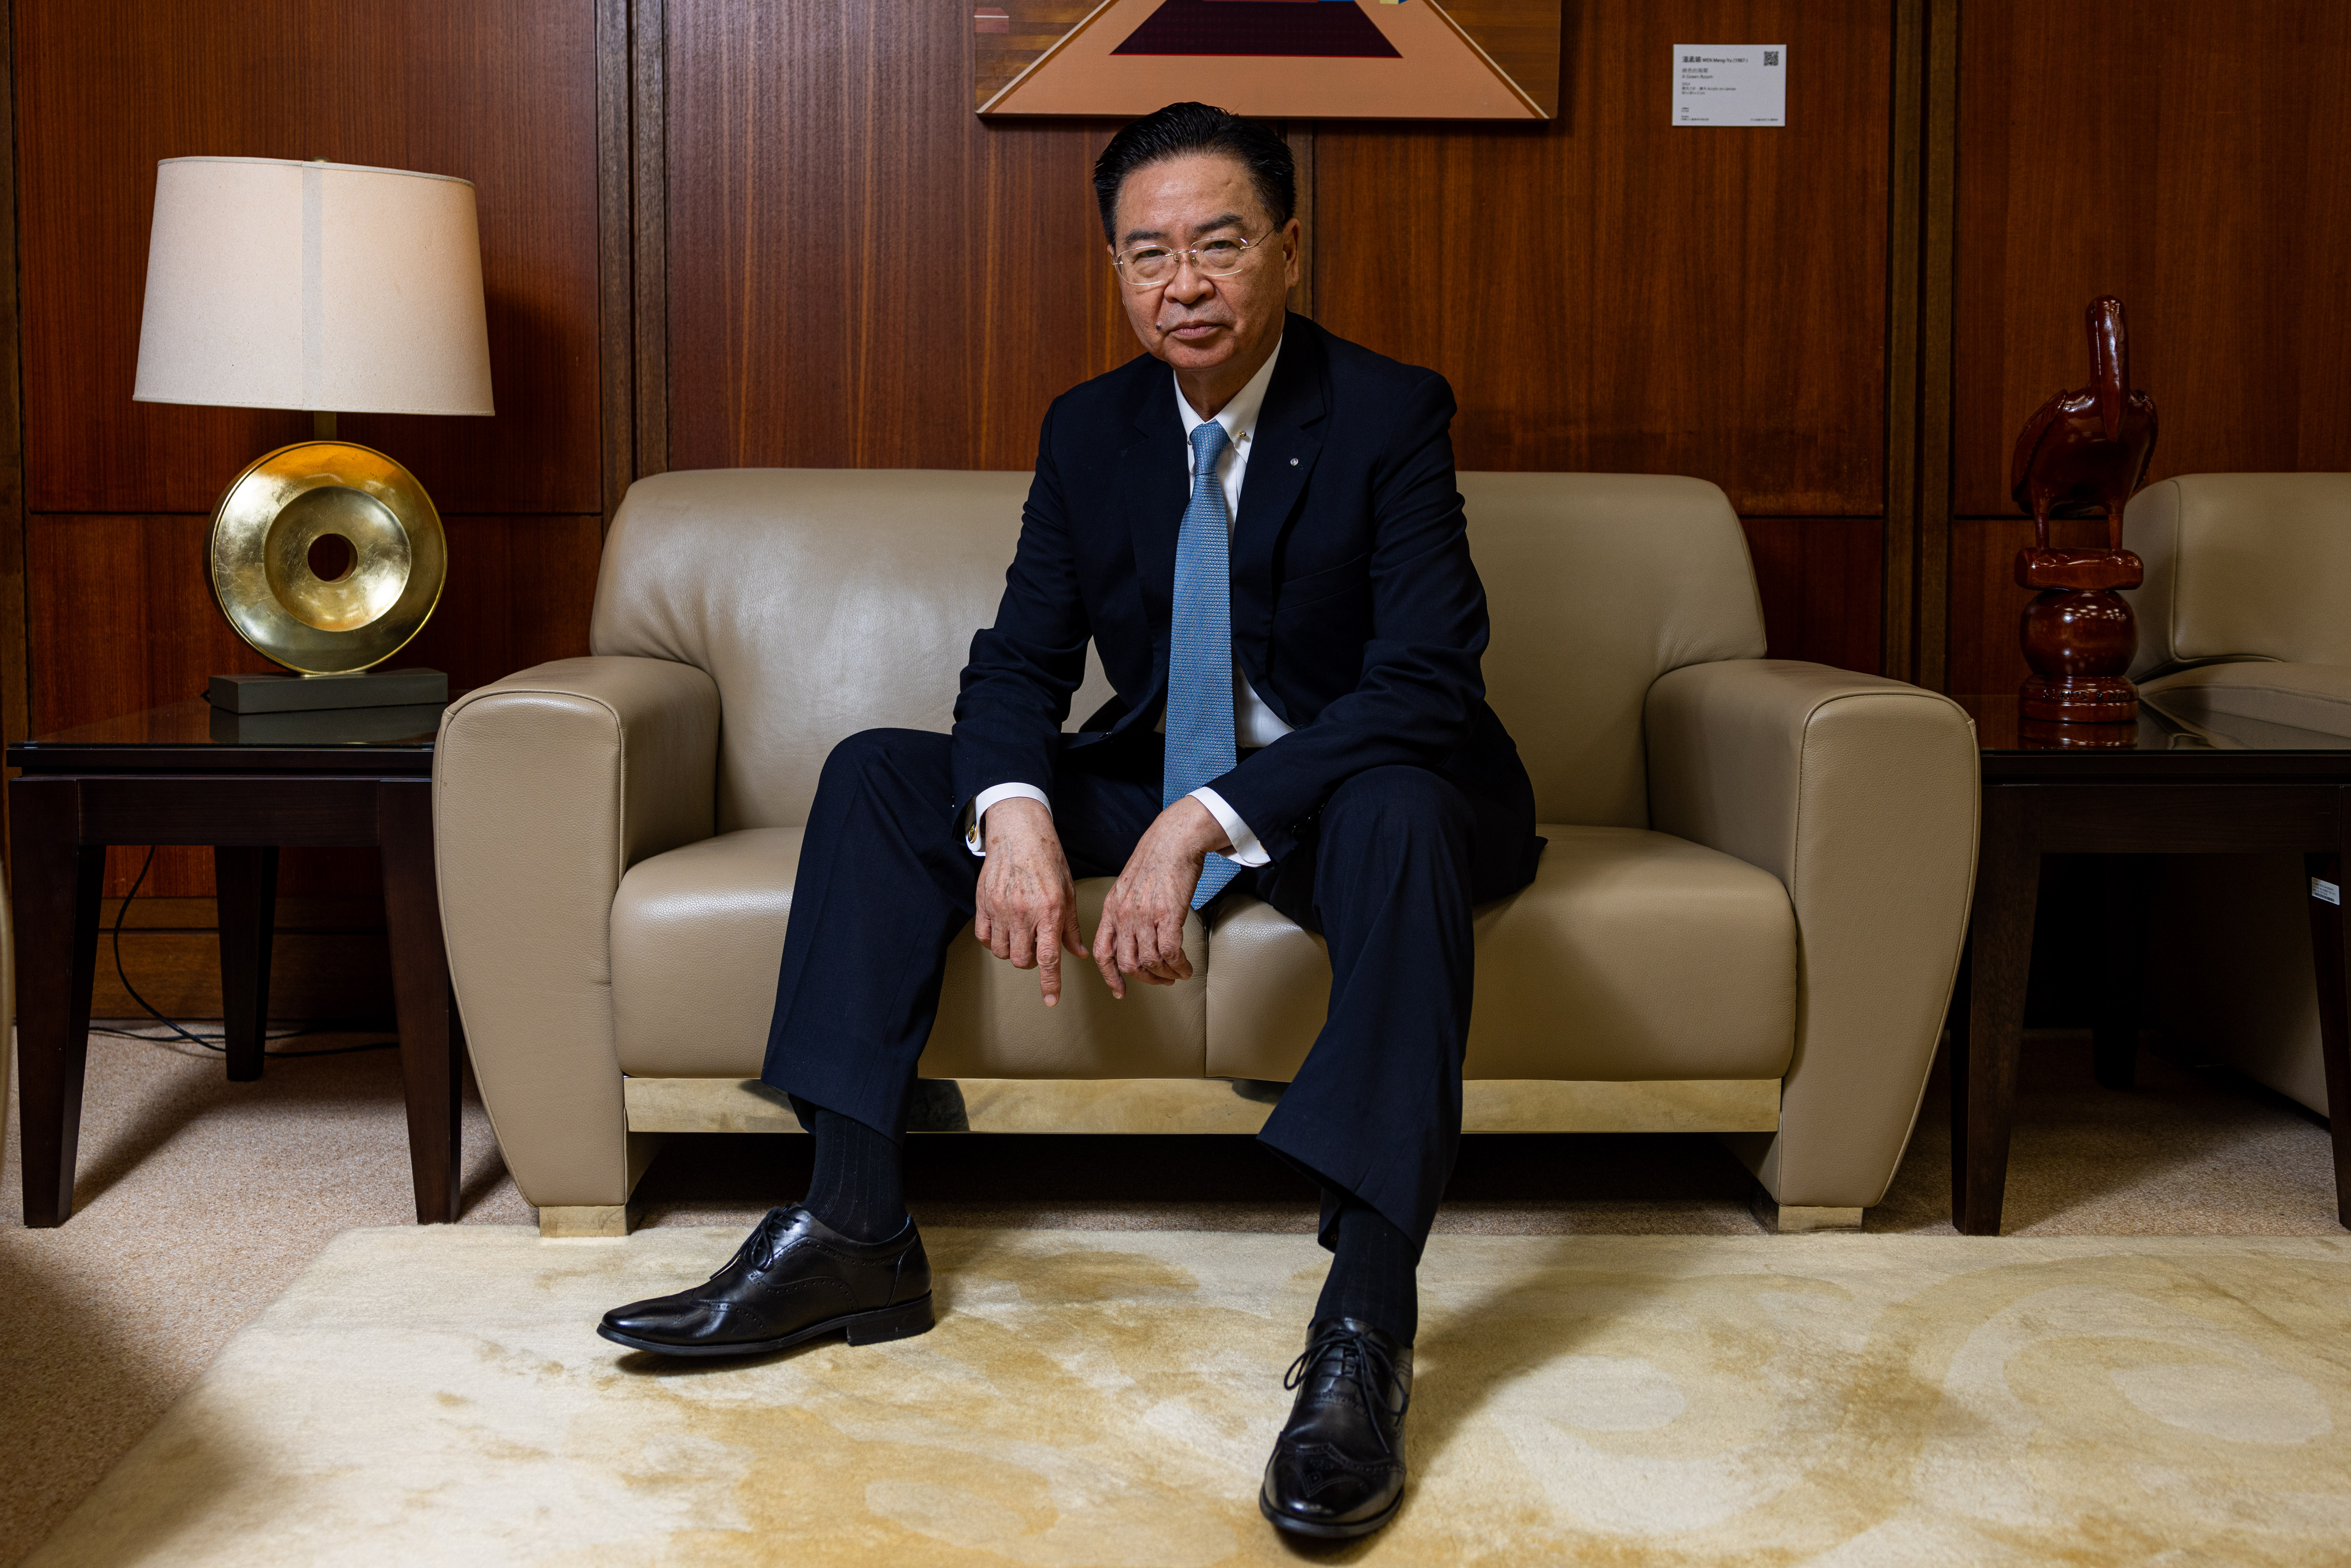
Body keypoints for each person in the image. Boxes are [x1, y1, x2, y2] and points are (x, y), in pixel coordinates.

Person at [597, 100, 1541, 1542]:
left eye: (1220, 244)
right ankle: (853, 1224)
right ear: (1115, 269)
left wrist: (1203, 822)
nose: (1185, 283)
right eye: (1148, 253)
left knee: (1408, 810)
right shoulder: (1091, 429)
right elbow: (1022, 664)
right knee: (874, 771)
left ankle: (1365, 1319)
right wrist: (1019, 806)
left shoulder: (1389, 409)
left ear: (1287, 249)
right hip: (1166, 764)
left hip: (1361, 784)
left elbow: (1422, 682)